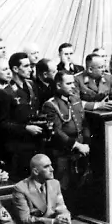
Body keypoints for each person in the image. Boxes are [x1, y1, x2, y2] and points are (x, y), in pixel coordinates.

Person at [42, 72, 91, 201]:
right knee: (64, 187)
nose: (73, 86)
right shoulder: (51, 105)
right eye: (68, 84)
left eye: (73, 83)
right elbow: (57, 132)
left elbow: (84, 123)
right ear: (58, 85)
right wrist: (77, 145)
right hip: (63, 153)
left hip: (81, 152)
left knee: (80, 185)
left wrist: (86, 142)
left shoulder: (76, 100)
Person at [11, 154, 72, 224]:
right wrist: (53, 222)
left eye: (51, 165)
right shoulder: (20, 188)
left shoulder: (55, 183)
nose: (52, 169)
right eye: (46, 167)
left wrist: (65, 217)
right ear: (36, 171)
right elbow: (25, 219)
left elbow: (61, 207)